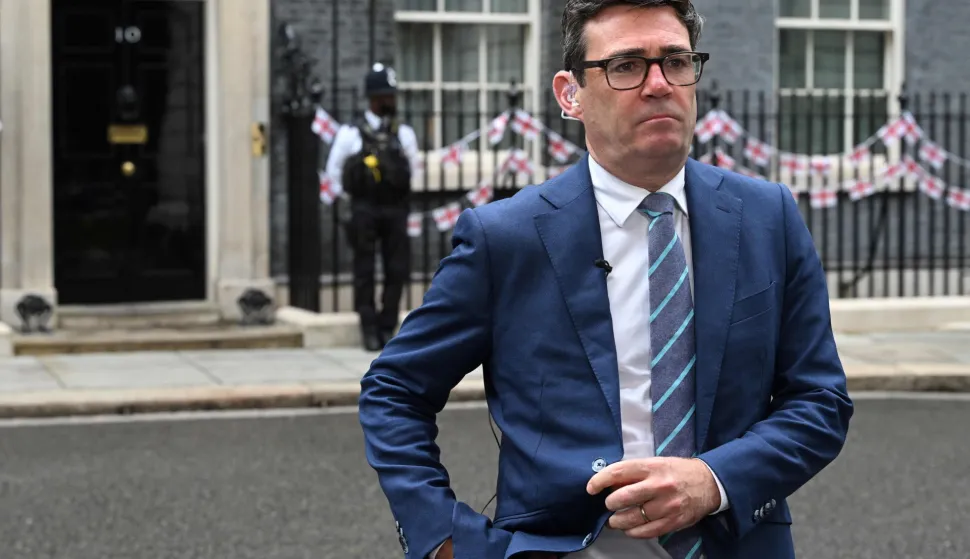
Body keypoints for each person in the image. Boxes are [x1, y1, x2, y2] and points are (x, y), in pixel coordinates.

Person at [358, 1, 854, 558]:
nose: (659, 83)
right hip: (567, 544)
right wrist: (444, 539)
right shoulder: (505, 237)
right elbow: (394, 391)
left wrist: (712, 480)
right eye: (626, 66)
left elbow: (820, 400)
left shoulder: (769, 217)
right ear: (571, 94)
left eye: (675, 60)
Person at [326, 63, 419, 352]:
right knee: (364, 269)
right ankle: (368, 327)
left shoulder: (403, 133)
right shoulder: (350, 133)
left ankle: (387, 325)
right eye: (385, 96)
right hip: (364, 209)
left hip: (394, 209)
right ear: (373, 98)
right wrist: (354, 200)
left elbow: (413, 170)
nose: (390, 101)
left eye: (392, 96)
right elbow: (333, 172)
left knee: (397, 269)